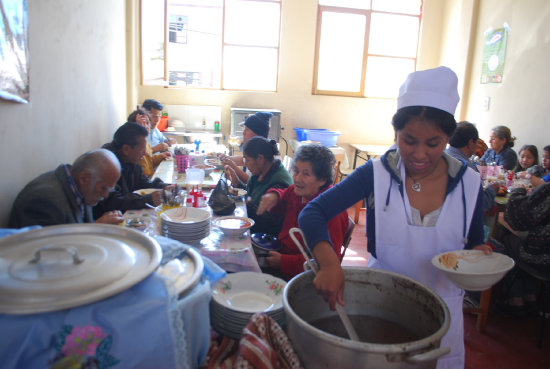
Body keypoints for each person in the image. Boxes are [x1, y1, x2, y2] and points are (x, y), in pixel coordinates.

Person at [298, 66, 490, 369]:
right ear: (395, 132)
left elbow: (477, 241)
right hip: (382, 306)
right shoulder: (376, 174)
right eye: (408, 140)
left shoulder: (470, 184)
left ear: (448, 139)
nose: (419, 154)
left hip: (445, 319)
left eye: (434, 143)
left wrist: (480, 256)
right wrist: (329, 263)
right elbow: (313, 212)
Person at [256, 144, 349, 280]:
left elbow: (326, 264)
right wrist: (274, 195)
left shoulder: (332, 210)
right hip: (281, 252)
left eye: (306, 174)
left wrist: (283, 261)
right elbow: (283, 195)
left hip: (303, 276)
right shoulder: (298, 192)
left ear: (322, 179)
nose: (297, 178)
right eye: (296, 171)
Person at [9, 149, 124, 227]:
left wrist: (99, 224)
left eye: (109, 189)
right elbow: (51, 253)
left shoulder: (81, 187)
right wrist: (96, 228)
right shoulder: (43, 200)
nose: (105, 195)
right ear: (84, 178)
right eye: (103, 188)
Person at [93, 122, 170, 219]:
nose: (145, 153)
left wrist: (166, 187)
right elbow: (113, 202)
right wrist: (149, 200)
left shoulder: (131, 160)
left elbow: (144, 183)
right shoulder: (108, 164)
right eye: (142, 149)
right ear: (126, 149)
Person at [496, 182, 550, 316]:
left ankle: (516, 299)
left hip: (542, 260)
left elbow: (517, 219)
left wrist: (517, 191)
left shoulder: (547, 191)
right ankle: (530, 295)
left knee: (505, 236)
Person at [244, 136, 292, 236]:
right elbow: (249, 194)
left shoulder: (279, 182)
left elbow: (270, 224)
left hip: (268, 239)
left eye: (247, 160)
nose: (245, 164)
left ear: (260, 159)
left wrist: (249, 205)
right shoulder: (261, 173)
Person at [445, 121, 499, 211]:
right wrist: (491, 190)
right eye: (477, 142)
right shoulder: (466, 169)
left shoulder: (443, 156)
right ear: (470, 143)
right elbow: (482, 203)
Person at [219, 112, 272, 187]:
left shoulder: (267, 153)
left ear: (257, 133)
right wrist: (225, 158)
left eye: (246, 130)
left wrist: (233, 167)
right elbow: (242, 160)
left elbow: (253, 183)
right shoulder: (257, 147)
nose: (243, 133)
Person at [128, 108, 171, 178]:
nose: (146, 127)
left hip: (151, 178)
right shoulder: (133, 145)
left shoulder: (146, 143)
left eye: (148, 123)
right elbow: (142, 173)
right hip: (146, 183)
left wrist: (160, 157)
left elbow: (148, 162)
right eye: (142, 124)